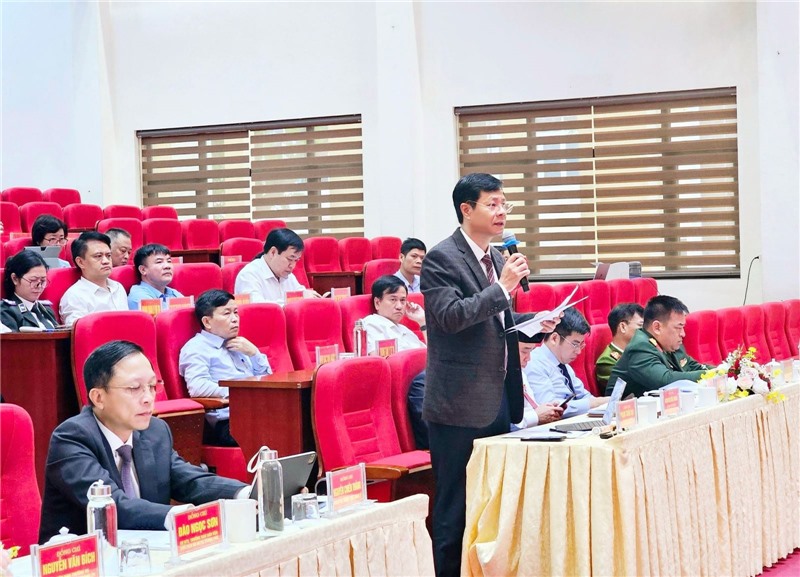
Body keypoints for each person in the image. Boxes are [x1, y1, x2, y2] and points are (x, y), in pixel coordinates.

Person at [421, 172, 558, 577]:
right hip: (458, 405)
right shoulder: (441, 258)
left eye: (504, 204)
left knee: (493, 505)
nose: (502, 212)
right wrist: (502, 287)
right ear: (467, 209)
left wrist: (535, 321)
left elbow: (496, 322)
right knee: (455, 510)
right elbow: (450, 318)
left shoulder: (497, 257)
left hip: (498, 396)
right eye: (492, 204)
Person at [39, 340, 249, 543]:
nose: (148, 398)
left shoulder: (155, 431)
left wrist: (245, 493)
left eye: (152, 386)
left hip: (150, 550)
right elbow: (112, 505)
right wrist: (182, 517)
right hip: (83, 558)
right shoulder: (72, 438)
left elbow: (190, 480)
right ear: (98, 398)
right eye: (134, 388)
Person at [179, 289, 271, 446]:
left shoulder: (241, 344)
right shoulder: (196, 348)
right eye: (227, 313)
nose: (235, 319)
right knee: (284, 428)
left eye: (236, 312)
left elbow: (268, 379)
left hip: (257, 413)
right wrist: (240, 393)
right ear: (207, 322)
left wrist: (254, 353)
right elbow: (198, 387)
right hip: (227, 422)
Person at [361, 274, 428, 448]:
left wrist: (422, 321)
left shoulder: (404, 329)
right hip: (403, 391)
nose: (399, 306)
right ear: (377, 303)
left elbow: (434, 354)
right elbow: (377, 361)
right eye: (393, 300)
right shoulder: (369, 325)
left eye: (403, 300)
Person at [605, 295, 707, 398]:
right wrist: (709, 375)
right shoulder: (640, 347)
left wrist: (716, 371)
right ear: (657, 327)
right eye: (678, 328)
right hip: (626, 406)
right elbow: (666, 381)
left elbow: (693, 366)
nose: (683, 334)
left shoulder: (670, 343)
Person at [527, 308, 610, 419]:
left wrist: (601, 404)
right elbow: (550, 409)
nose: (578, 351)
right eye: (575, 344)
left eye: (581, 345)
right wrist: (595, 403)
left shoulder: (563, 364)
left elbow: (582, 394)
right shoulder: (533, 363)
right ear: (554, 338)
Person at [60, 231, 128, 326]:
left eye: (108, 256)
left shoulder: (118, 287)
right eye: (98, 256)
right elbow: (79, 332)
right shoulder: (74, 296)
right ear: (80, 262)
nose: (106, 261)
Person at [512, 314, 564, 429]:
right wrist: (536, 416)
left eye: (531, 351)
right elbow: (505, 425)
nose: (528, 358)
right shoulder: (495, 378)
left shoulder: (521, 373)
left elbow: (530, 409)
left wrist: (546, 410)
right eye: (524, 351)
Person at [234, 228, 309, 305]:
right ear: (273, 252)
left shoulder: (288, 275)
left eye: (296, 260)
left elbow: (302, 293)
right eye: (290, 259)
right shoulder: (248, 274)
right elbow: (256, 307)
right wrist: (298, 299)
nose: (292, 266)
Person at [0, 251, 58, 331]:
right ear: (15, 279)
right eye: (33, 280)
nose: (39, 286)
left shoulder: (46, 309)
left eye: (43, 281)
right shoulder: (6, 311)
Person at [595, 303, 644, 392]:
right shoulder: (607, 361)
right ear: (623, 327)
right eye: (640, 326)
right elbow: (625, 392)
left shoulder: (641, 351)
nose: (645, 331)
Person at [127, 244, 183, 310]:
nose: (167, 266)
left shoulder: (172, 292)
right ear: (143, 270)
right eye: (159, 262)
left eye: (169, 261)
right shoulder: (139, 297)